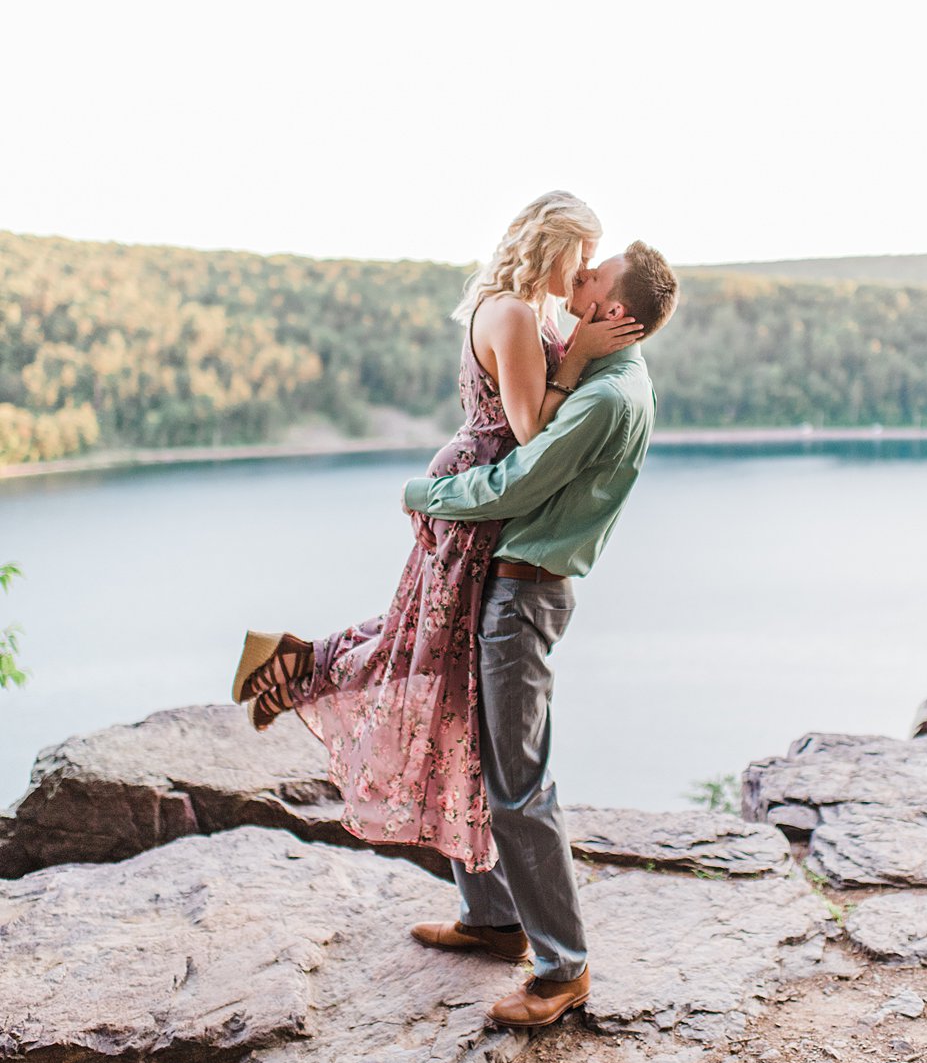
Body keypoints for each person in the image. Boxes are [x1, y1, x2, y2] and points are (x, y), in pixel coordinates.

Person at [230, 191, 641, 877]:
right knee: (425, 651)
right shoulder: (511, 314)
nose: (585, 268)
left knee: (421, 637)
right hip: (474, 502)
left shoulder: (519, 307)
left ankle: (292, 663)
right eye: (584, 253)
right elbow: (533, 430)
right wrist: (578, 360)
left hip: (475, 498)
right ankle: (294, 667)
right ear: (553, 242)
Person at [402, 240, 679, 1029]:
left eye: (590, 277)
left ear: (612, 311)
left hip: (524, 597)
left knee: (521, 783)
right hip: (515, 589)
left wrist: (427, 491)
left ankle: (564, 971)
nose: (576, 281)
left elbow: (518, 479)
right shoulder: (600, 375)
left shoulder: (607, 398)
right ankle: (491, 917)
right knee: (483, 756)